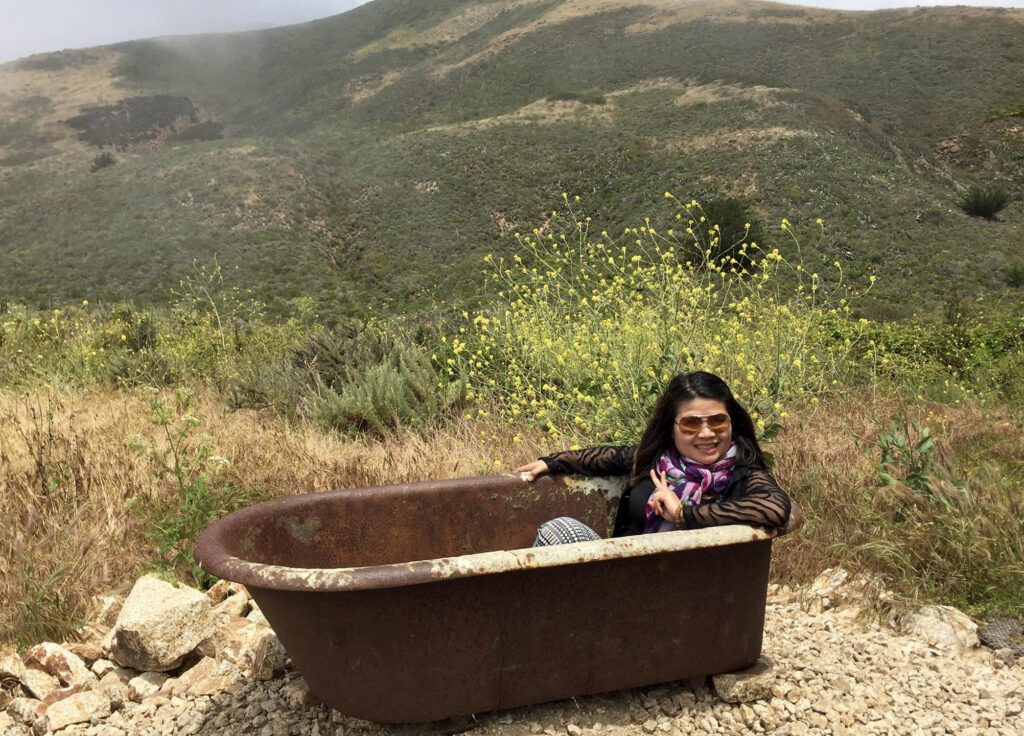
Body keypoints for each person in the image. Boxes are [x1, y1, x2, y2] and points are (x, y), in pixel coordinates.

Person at [515, 371, 791, 545]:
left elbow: (776, 509)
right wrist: (551, 461)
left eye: (718, 422)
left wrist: (684, 514)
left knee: (559, 531)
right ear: (671, 429)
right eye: (691, 424)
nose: (707, 433)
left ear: (732, 424)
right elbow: (606, 456)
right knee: (561, 531)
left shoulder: (742, 472)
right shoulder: (654, 461)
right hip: (625, 574)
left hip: (693, 593)